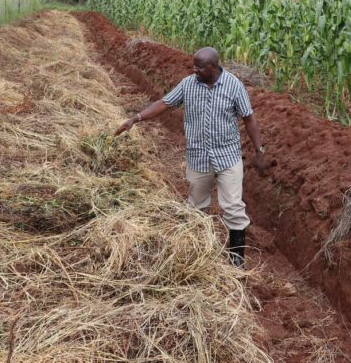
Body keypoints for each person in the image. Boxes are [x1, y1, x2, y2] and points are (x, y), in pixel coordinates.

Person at [114, 47, 265, 268]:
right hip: (199, 157)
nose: (194, 70)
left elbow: (249, 119)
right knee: (196, 207)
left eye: (199, 67)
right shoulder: (188, 85)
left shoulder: (234, 86)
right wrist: (136, 118)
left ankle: (237, 263)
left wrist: (259, 151)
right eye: (194, 65)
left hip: (228, 157)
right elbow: (164, 103)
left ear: (212, 67)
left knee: (233, 207)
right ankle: (198, 257)